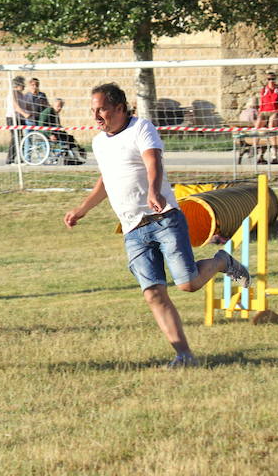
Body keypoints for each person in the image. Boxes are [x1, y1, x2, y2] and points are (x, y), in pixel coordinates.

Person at [63, 83, 250, 368]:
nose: (96, 116)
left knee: (187, 284)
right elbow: (107, 179)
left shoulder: (141, 128)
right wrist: (82, 208)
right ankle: (184, 355)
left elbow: (153, 161)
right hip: (132, 230)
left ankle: (221, 261)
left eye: (101, 109)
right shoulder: (99, 142)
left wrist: (154, 190)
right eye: (93, 110)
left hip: (164, 218)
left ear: (119, 108)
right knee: (153, 293)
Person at [39, 98, 85, 164]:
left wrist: (64, 132)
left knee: (69, 137)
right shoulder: (47, 112)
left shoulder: (56, 113)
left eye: (61, 106)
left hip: (54, 131)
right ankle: (67, 158)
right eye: (58, 106)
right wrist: (49, 135)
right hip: (45, 133)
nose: (59, 108)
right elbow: (41, 125)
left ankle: (75, 157)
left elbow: (58, 126)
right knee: (65, 139)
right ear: (53, 105)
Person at [254, 72, 278, 164]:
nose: (271, 81)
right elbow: (262, 103)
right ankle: (255, 149)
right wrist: (260, 113)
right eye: (269, 79)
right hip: (265, 111)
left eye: (273, 79)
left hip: (275, 111)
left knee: (271, 126)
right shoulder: (264, 89)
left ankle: (274, 156)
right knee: (258, 126)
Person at [5, 76, 31, 164]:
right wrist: (25, 114)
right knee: (15, 138)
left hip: (21, 118)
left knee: (22, 139)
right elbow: (16, 106)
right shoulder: (13, 93)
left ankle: (21, 158)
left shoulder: (21, 95)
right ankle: (10, 159)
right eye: (22, 84)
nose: (24, 86)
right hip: (13, 118)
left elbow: (26, 106)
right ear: (18, 85)